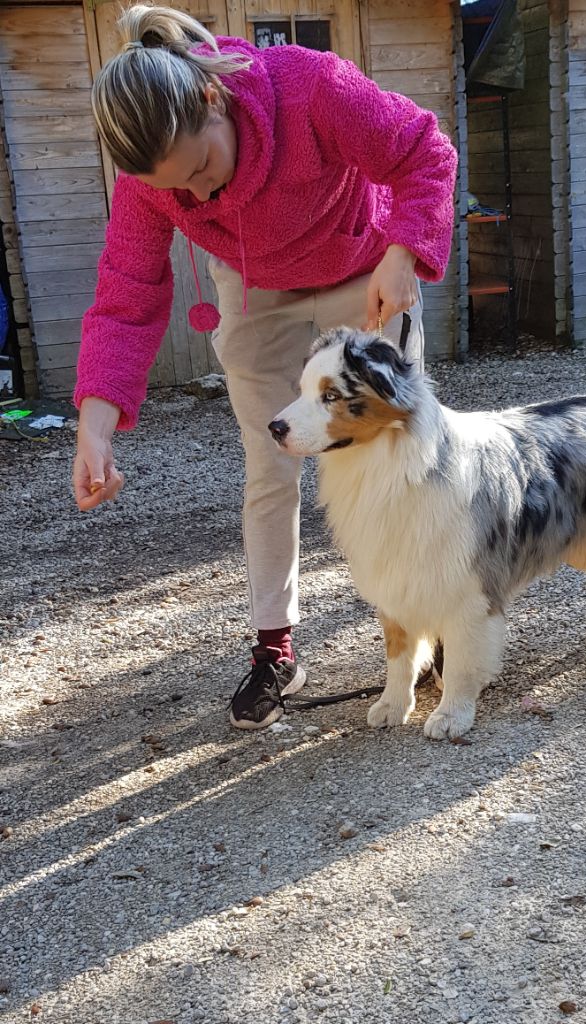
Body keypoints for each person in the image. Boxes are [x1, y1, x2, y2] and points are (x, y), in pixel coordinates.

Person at [72, 3, 457, 730]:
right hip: (256, 292)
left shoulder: (311, 85)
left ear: (213, 99)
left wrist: (405, 252)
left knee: (401, 456)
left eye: (201, 169)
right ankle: (275, 647)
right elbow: (127, 293)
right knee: (269, 464)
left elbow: (424, 151)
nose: (198, 197)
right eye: (177, 190)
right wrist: (95, 426)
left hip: (361, 271)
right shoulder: (153, 181)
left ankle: (427, 624)